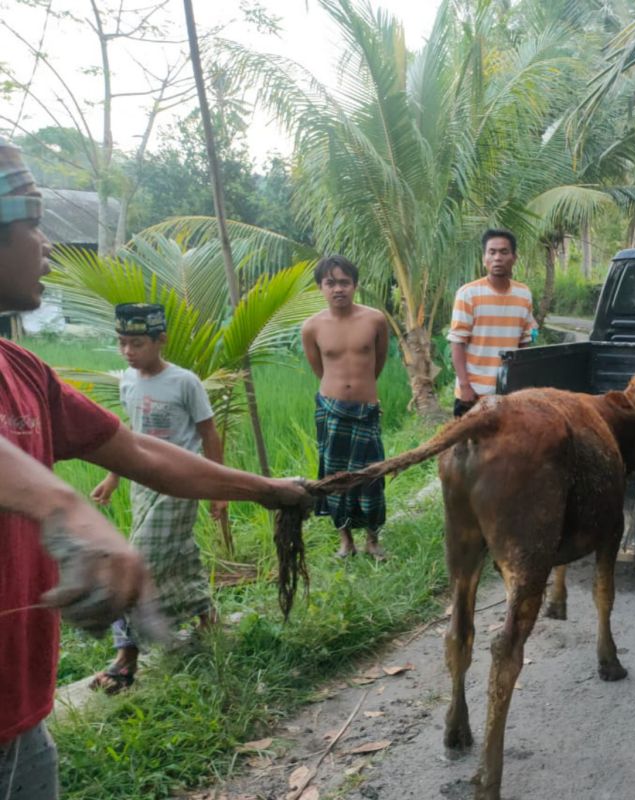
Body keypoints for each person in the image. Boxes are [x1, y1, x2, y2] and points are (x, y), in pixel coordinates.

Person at [0, 138, 308, 799]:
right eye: (30, 218)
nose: (47, 242)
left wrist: (268, 491)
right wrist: (69, 507)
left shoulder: (24, 372)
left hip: (22, 727)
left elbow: (141, 453)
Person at [86, 304, 227, 692]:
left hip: (180, 483)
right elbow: (130, 435)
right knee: (179, 553)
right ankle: (207, 620)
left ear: (160, 340)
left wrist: (218, 489)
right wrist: (113, 478)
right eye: (122, 343)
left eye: (137, 343)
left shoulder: (185, 382)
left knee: (135, 563)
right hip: (141, 483)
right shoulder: (128, 381)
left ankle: (126, 658)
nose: (129, 351)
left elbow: (209, 435)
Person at [301, 255, 391, 559]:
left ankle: (373, 539)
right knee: (334, 476)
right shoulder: (312, 327)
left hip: (366, 411)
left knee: (371, 475)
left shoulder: (375, 319)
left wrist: (362, 391)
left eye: (344, 282)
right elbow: (319, 369)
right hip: (331, 410)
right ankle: (345, 541)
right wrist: (338, 395)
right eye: (330, 283)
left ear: (355, 285)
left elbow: (378, 362)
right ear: (320, 287)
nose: (338, 289)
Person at [448, 229, 536, 417]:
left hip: (509, 396)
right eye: (492, 252)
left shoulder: (524, 294)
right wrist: (465, 387)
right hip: (473, 394)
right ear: (484, 258)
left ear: (514, 257)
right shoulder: (468, 294)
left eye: (504, 252)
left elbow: (524, 344)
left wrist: (521, 386)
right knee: (465, 447)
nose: (497, 258)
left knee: (509, 446)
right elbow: (457, 342)